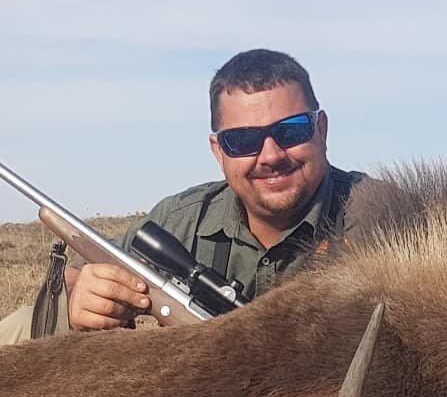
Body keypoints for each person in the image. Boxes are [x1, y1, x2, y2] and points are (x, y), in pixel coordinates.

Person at [0, 49, 363, 343]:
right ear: (218, 151)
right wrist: (75, 305)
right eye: (244, 141)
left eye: (291, 130)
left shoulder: (390, 220)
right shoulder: (180, 221)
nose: (270, 155)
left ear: (322, 130)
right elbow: (81, 278)